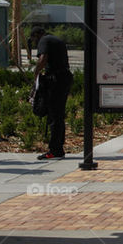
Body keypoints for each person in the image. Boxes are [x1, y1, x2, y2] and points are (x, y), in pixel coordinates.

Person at [30, 26, 73, 160]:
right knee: (58, 115)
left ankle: (54, 150)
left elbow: (43, 59)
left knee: (54, 115)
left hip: (56, 80)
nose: (35, 43)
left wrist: (36, 73)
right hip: (65, 77)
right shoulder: (56, 40)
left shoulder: (44, 40)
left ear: (38, 35)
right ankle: (58, 147)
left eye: (33, 39)